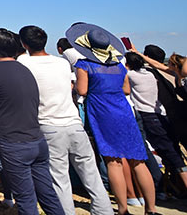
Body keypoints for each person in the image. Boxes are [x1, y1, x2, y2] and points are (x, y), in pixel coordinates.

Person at [18, 26, 113, 215]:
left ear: (24, 44)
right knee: (91, 173)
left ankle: (66, 212)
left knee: (59, 177)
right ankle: (105, 211)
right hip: (74, 123)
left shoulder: (23, 62)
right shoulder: (61, 63)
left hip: (48, 125)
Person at [67, 23, 156, 215]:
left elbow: (82, 90)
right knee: (138, 161)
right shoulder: (118, 64)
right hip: (123, 110)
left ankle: (123, 209)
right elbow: (126, 89)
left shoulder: (85, 64)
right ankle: (151, 208)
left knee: (113, 161)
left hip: (102, 111)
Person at [0, 28, 65, 215]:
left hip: (13, 142)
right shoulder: (25, 69)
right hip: (37, 140)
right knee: (47, 193)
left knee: (25, 198)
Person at [124, 52, 187, 188]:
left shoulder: (131, 75)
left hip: (149, 115)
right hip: (161, 114)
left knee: (171, 154)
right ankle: (177, 186)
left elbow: (125, 84)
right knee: (174, 152)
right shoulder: (152, 74)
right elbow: (159, 66)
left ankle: (177, 185)